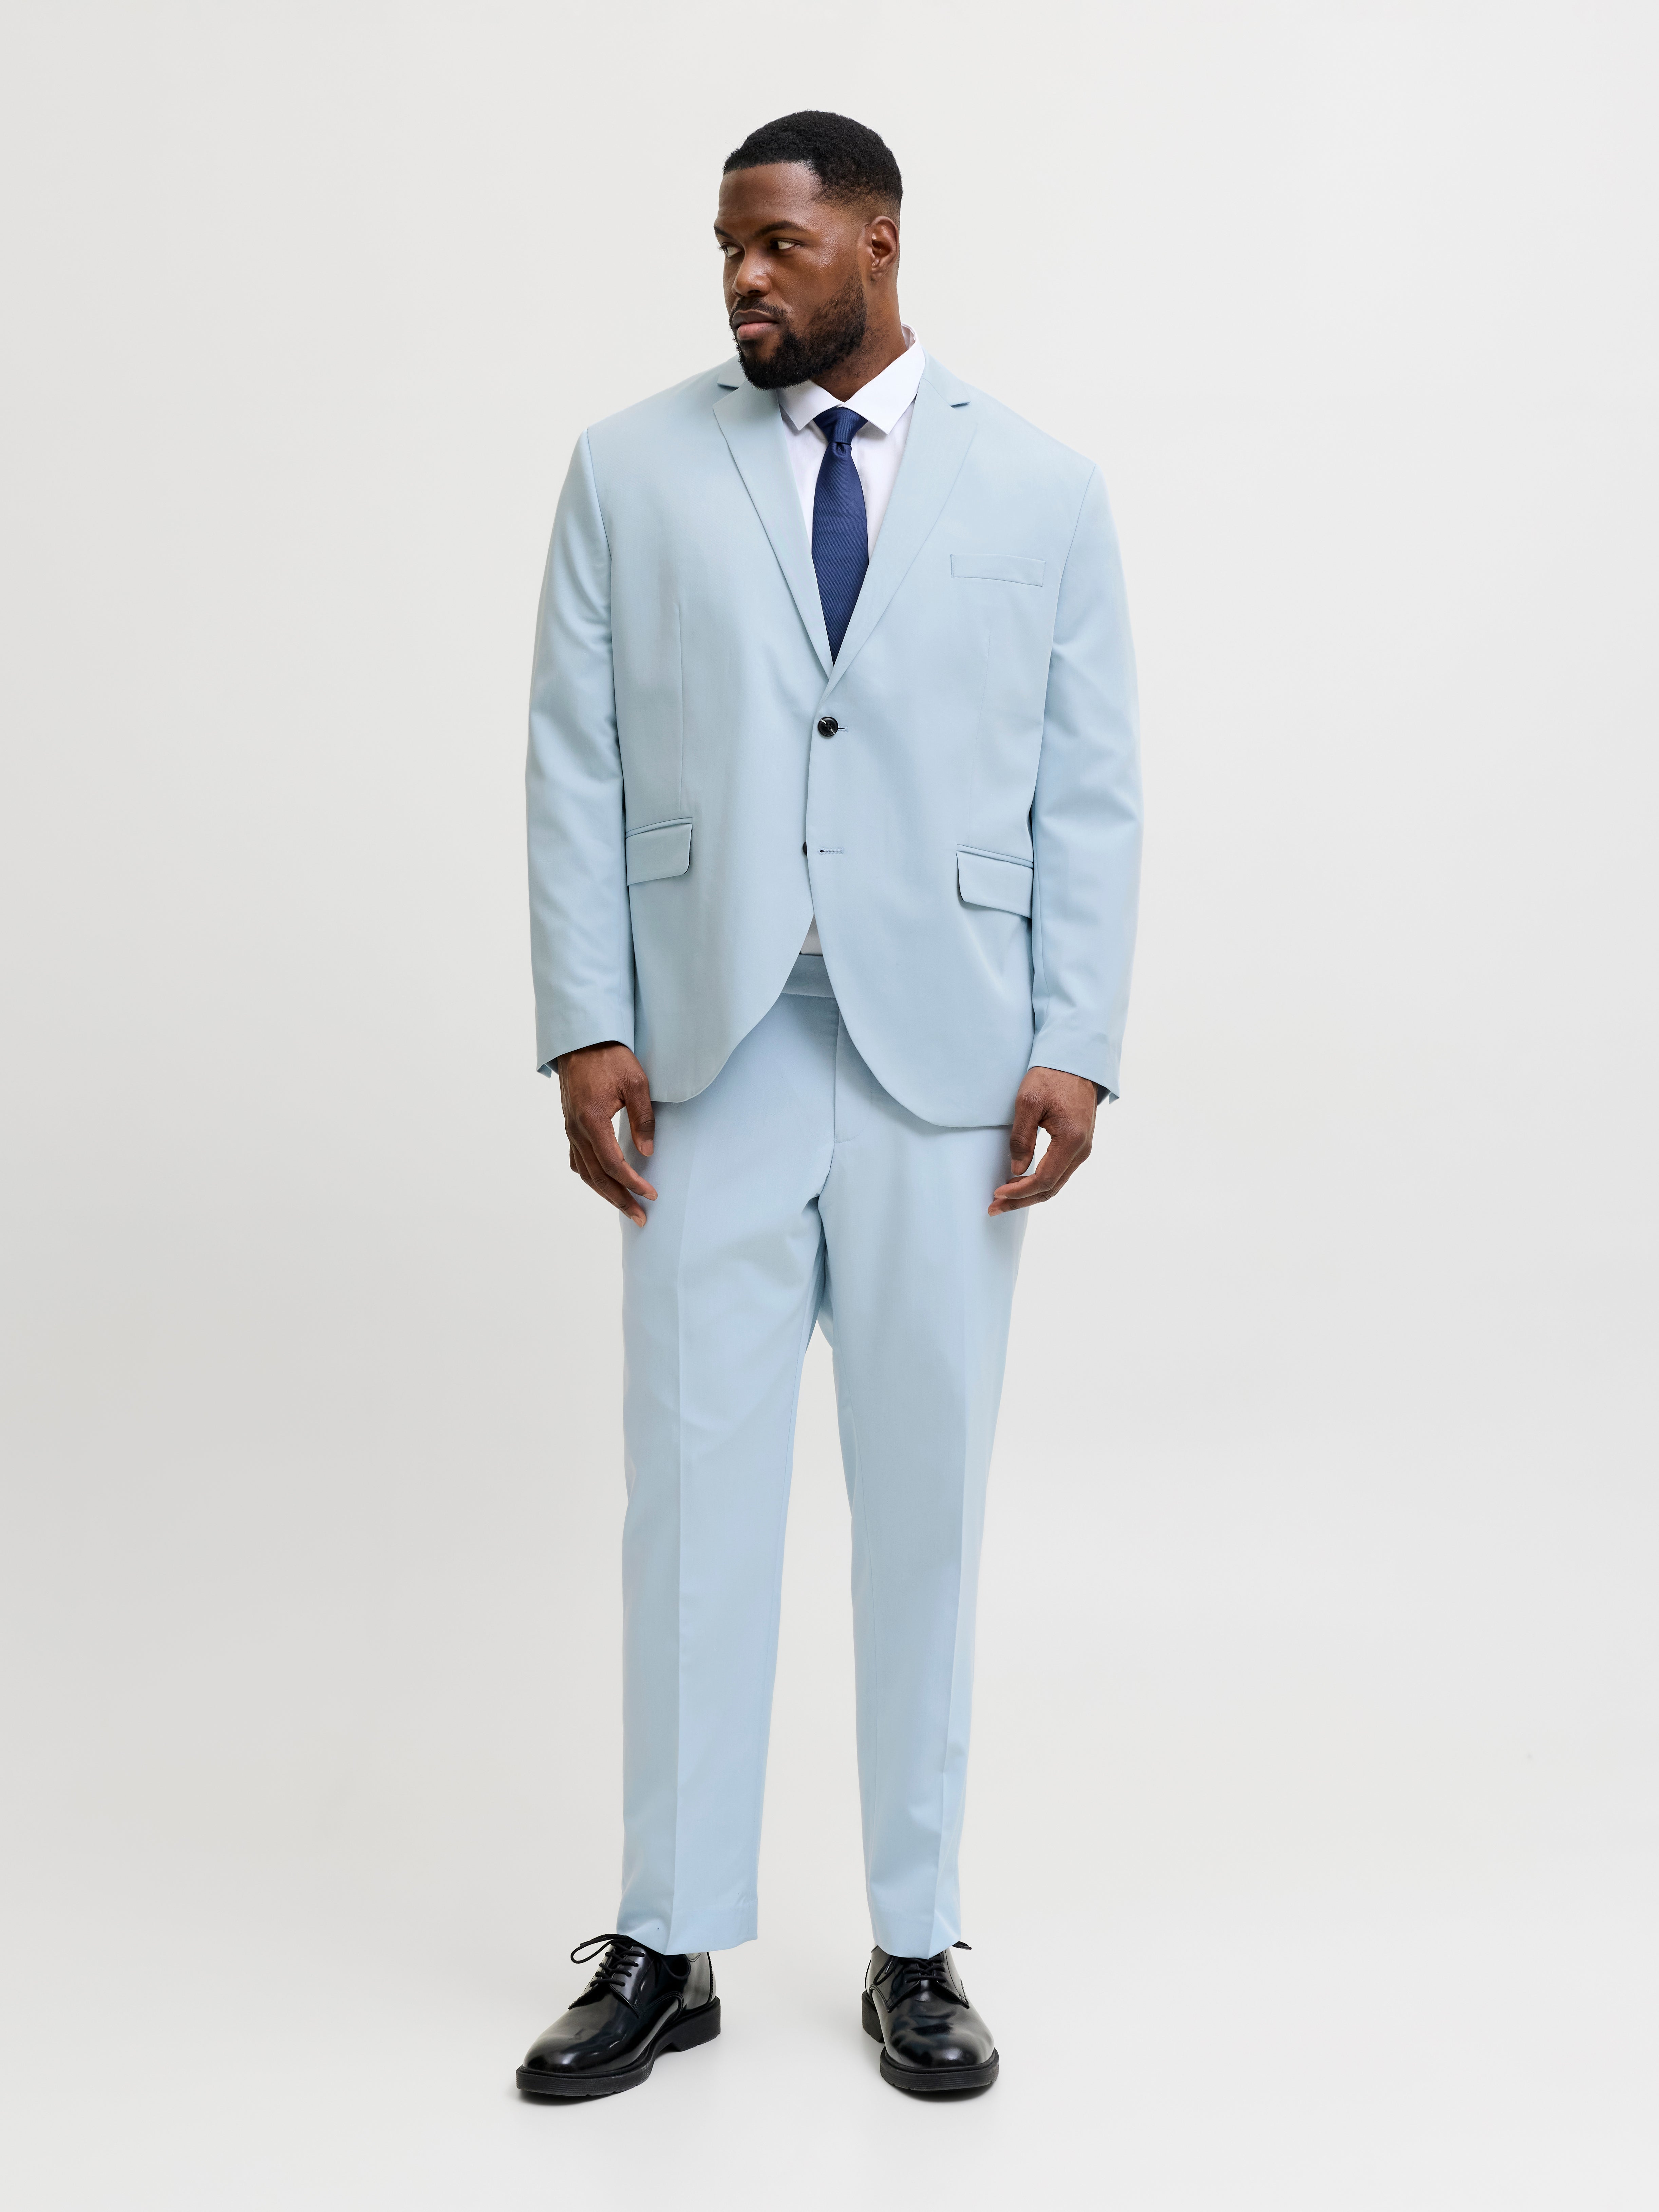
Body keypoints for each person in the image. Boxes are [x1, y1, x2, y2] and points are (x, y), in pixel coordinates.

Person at [517, 109, 1140, 2099]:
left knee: (924, 1505)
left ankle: (916, 1938)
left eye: (778, 243)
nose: (742, 278)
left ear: (876, 238)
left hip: (950, 1062)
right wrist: (583, 1019)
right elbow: (575, 757)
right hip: (708, 1051)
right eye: (726, 246)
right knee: (691, 1503)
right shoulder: (629, 467)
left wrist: (1077, 1036)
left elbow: (1090, 785)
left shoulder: (1041, 486)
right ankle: (671, 1938)